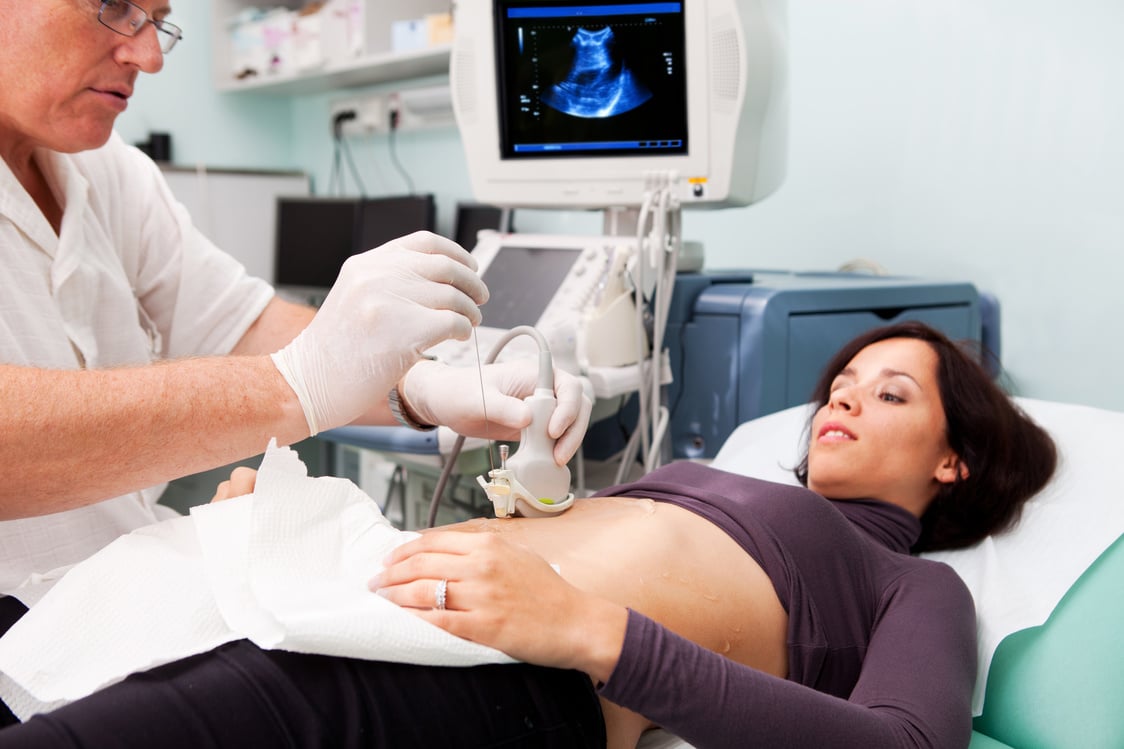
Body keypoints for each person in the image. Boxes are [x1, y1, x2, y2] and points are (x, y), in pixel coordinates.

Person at [0, 321, 1058, 748]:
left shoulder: (911, 585)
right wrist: (276, 537)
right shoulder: (702, 474)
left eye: (886, 392)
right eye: (837, 384)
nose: (840, 400)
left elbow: (904, 744)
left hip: (512, 678)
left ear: (952, 458)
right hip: (381, 601)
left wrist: (597, 632)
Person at [0, 0, 591, 606]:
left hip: (116, 598)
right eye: (116, 7)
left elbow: (237, 322)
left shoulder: (108, 169)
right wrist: (295, 385)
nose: (148, 55)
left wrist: (416, 385)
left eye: (157, 20)